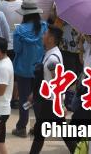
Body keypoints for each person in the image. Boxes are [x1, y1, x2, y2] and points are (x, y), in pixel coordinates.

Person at [10, 0, 44, 139]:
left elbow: (17, 49)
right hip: (39, 69)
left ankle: (21, 127)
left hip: (23, 69)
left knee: (24, 99)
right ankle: (38, 127)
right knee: (37, 98)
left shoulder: (19, 31)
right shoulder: (44, 27)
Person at [29, 26, 65, 154]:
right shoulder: (50, 53)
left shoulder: (53, 59)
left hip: (51, 102)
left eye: (45, 34)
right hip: (50, 101)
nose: (42, 36)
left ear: (51, 39)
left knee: (40, 134)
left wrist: (61, 104)